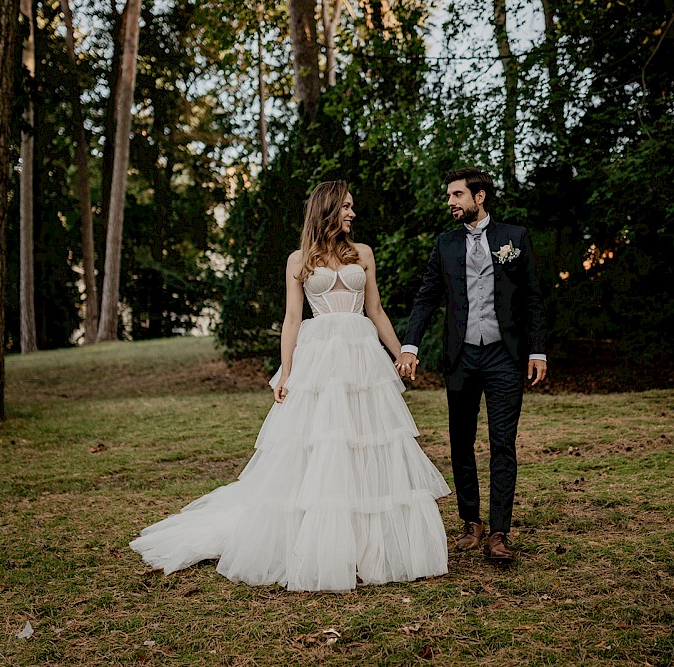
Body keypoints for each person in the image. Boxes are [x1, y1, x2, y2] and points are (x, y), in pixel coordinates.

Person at [131, 181, 450, 592]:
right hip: (318, 359)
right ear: (328, 209)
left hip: (359, 356)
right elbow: (293, 319)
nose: (352, 214)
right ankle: (321, 542)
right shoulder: (299, 259)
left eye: (353, 207)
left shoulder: (363, 254)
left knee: (367, 442)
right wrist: (285, 372)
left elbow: (375, 309)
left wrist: (401, 352)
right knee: (323, 445)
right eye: (347, 207)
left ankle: (370, 545)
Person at [395, 167, 546, 563]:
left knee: (502, 443)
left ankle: (499, 533)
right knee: (461, 441)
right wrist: (409, 345)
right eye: (449, 196)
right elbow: (426, 297)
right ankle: (470, 521)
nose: (451, 202)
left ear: (479, 197)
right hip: (461, 356)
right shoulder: (445, 244)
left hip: (504, 356)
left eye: (458, 195)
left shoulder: (514, 238)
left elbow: (532, 297)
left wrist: (537, 350)